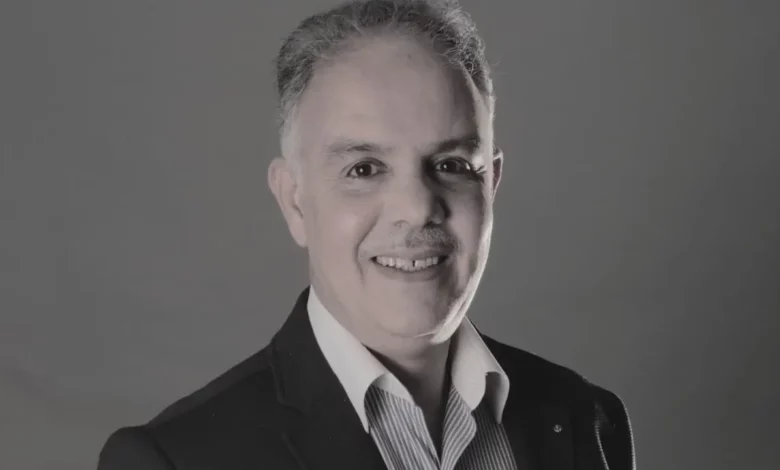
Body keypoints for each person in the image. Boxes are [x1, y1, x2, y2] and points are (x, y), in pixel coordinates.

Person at [98, 1, 635, 468]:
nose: (417, 209)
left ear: (490, 185)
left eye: (450, 164)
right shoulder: (177, 461)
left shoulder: (585, 419)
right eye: (364, 169)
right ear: (294, 201)